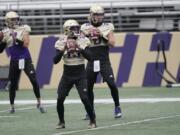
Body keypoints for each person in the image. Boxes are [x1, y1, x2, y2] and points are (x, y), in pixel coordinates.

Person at [81, 4, 122, 119]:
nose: (99, 17)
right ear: (91, 15)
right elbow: (81, 44)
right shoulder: (84, 27)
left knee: (112, 84)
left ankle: (117, 107)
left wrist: (101, 35)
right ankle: (90, 110)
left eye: (101, 15)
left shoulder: (108, 26)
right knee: (88, 87)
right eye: (97, 15)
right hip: (91, 60)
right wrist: (86, 36)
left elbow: (113, 43)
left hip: (104, 60)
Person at [53, 19, 96, 129]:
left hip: (80, 73)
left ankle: (92, 120)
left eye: (77, 28)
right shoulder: (61, 41)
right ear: (67, 30)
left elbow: (91, 57)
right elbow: (55, 60)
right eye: (73, 28)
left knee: (85, 98)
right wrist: (63, 50)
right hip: (67, 74)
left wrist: (79, 48)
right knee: (60, 98)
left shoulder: (83, 40)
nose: (76, 30)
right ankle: (61, 121)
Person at [0, 11, 46, 113]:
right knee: (12, 84)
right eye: (12, 19)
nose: (15, 21)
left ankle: (39, 103)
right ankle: (12, 106)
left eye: (16, 19)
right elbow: (1, 50)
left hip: (26, 59)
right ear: (7, 21)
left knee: (33, 80)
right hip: (14, 61)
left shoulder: (24, 28)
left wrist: (15, 38)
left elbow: (26, 44)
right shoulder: (4, 32)